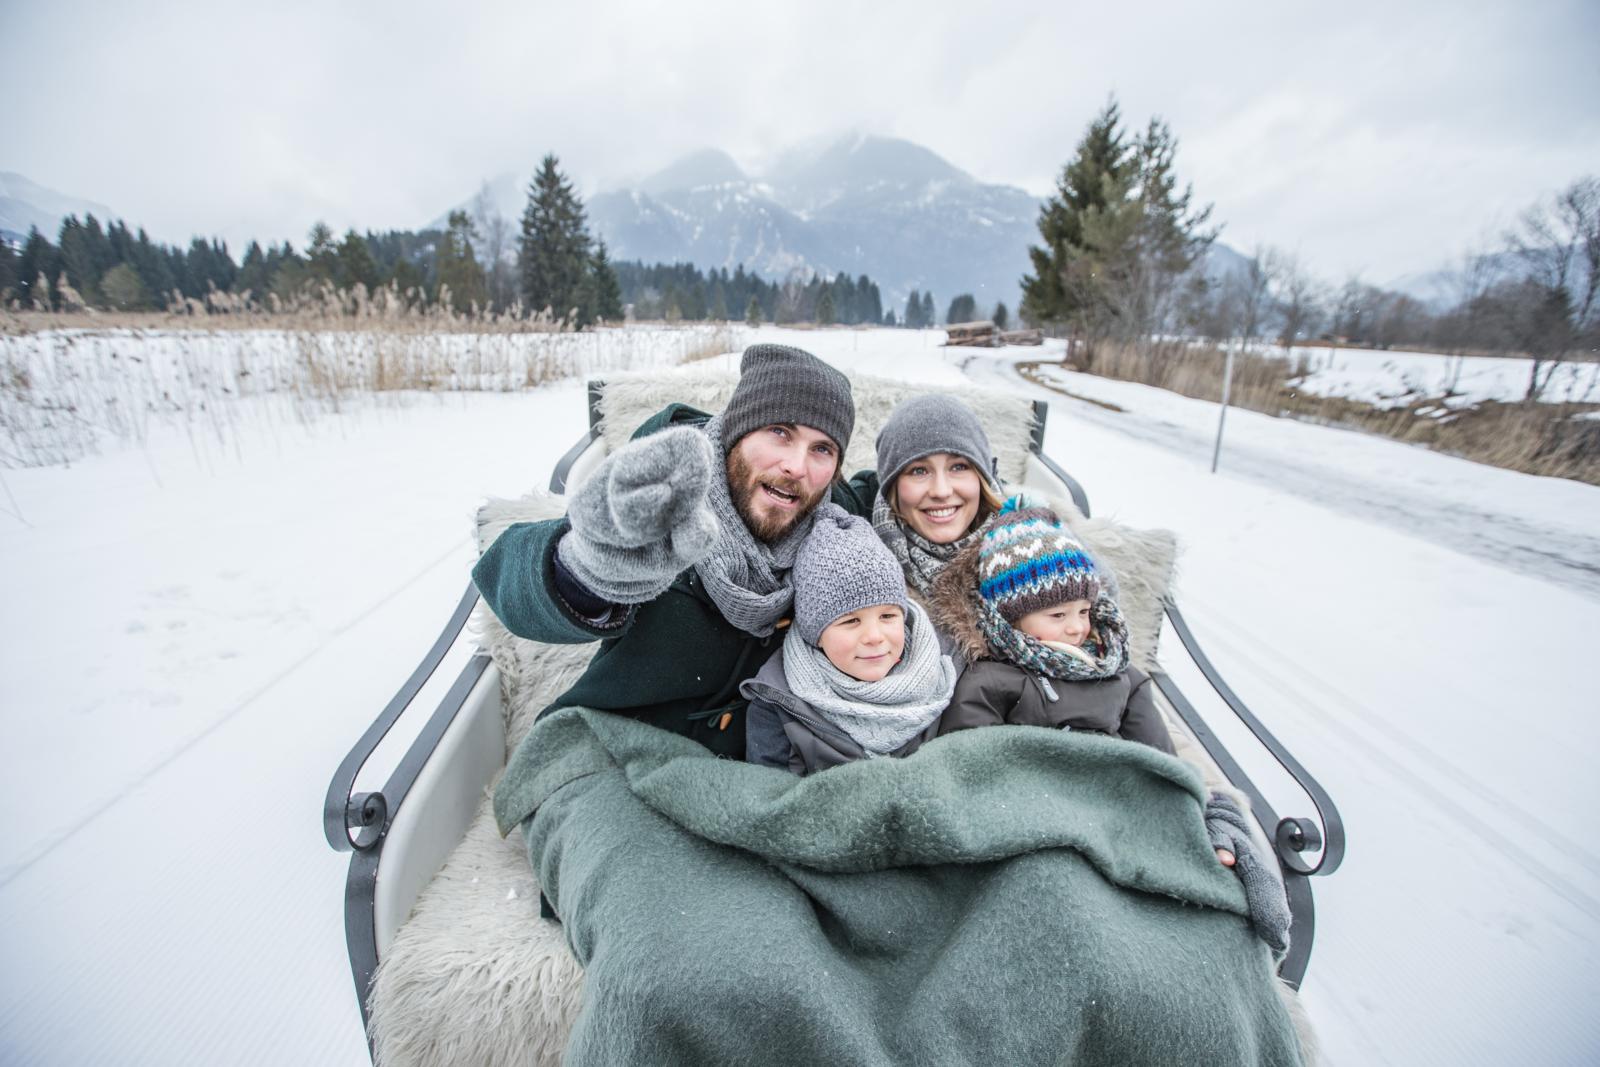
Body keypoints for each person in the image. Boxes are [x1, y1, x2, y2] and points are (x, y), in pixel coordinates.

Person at [473, 342, 860, 758]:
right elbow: (508, 578)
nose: (797, 466)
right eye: (780, 432)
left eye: (822, 449)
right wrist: (586, 570)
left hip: (752, 777)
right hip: (607, 752)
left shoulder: (835, 520)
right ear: (738, 430)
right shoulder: (662, 490)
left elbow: (905, 487)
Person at [930, 499, 1176, 752]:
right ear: (1010, 619)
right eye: (1058, 615)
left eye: (1083, 611)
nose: (1077, 627)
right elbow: (973, 760)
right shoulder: (988, 682)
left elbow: (1160, 761)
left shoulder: (1122, 676)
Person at [742, 504, 957, 775]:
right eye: (850, 621)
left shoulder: (946, 671)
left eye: (888, 616)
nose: (874, 637)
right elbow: (769, 794)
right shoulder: (778, 703)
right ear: (815, 634)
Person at [869, 393, 1009, 600]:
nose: (941, 491)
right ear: (893, 486)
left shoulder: (1039, 553)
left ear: (983, 478)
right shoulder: (867, 578)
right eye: (919, 471)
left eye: (959, 467)